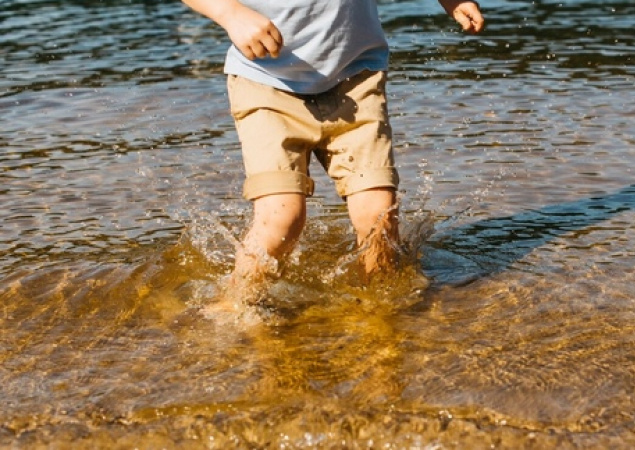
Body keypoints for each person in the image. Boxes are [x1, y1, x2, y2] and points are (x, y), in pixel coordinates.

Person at [181, 0, 484, 304]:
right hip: (265, 82)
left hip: (355, 77)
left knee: (377, 215)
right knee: (282, 218)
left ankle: (383, 317)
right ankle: (234, 308)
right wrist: (229, 13)